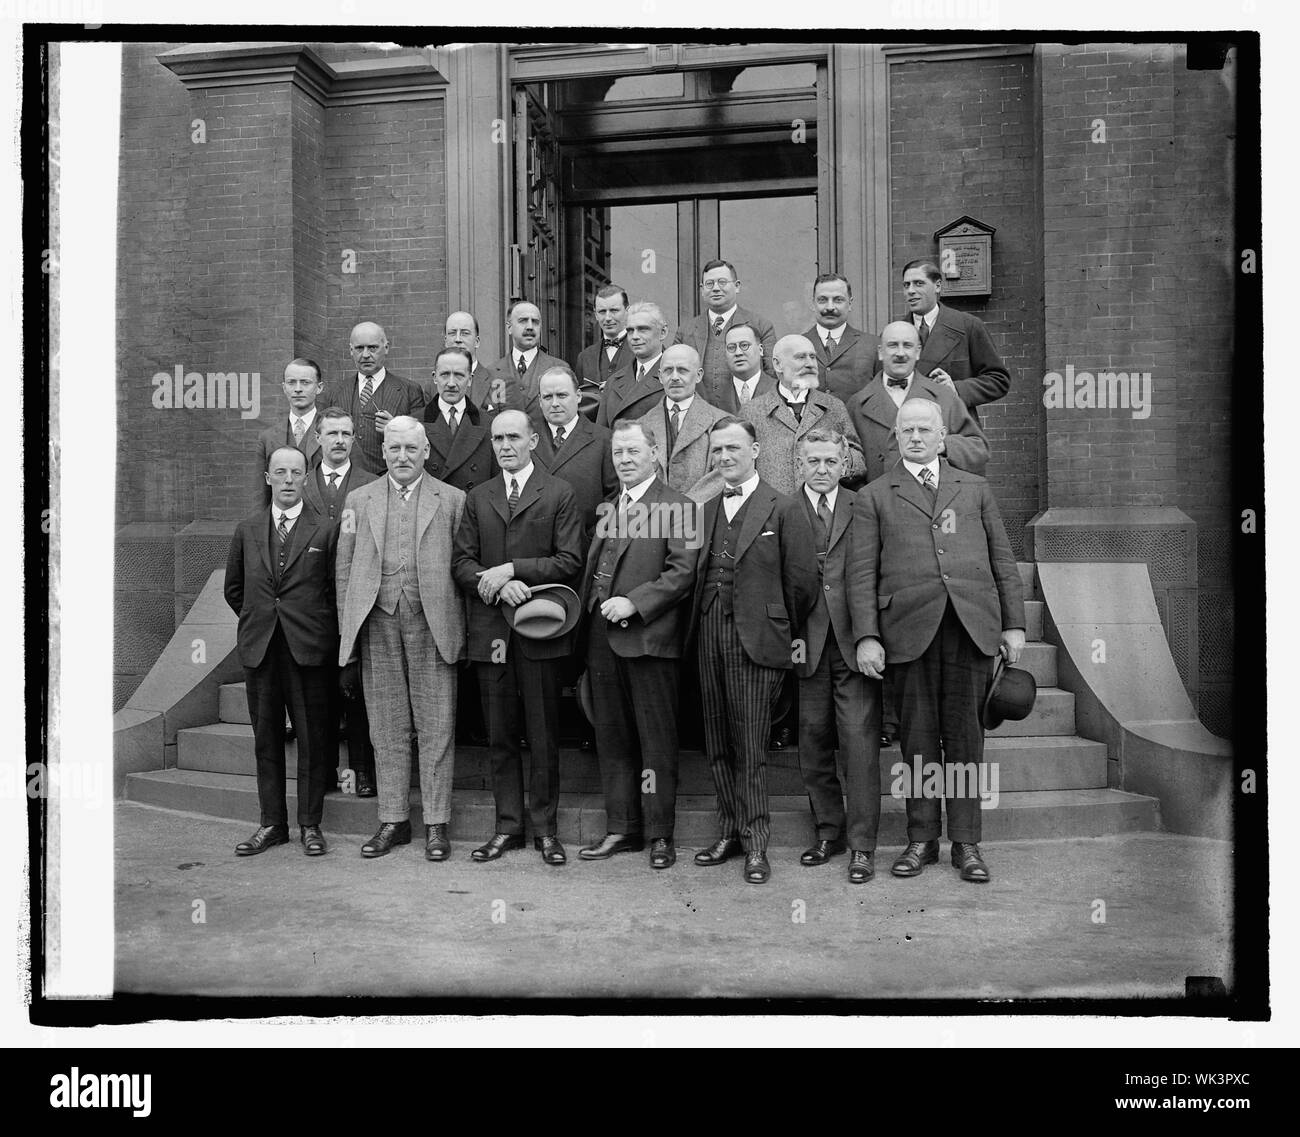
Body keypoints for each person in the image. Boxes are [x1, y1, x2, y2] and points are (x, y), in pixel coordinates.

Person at [849, 398, 1025, 883]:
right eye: (907, 430)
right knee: (919, 742)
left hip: (970, 627)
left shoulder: (975, 488)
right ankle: (922, 838)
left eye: (925, 430)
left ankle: (965, 842)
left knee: (966, 741)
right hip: (907, 632)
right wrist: (867, 636)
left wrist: (1013, 624)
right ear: (896, 436)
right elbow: (861, 574)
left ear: (943, 436)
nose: (916, 437)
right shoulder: (875, 496)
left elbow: (1002, 559)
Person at [452, 410, 585, 866]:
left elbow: (570, 560)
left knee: (543, 735)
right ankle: (507, 827)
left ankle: (546, 830)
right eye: (498, 439)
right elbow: (462, 563)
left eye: (513, 437)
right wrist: (494, 583)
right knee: (501, 737)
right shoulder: (479, 497)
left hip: (540, 630)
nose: (505, 446)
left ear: (533, 441)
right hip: (491, 632)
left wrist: (514, 570)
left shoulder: (559, 492)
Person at [690, 417, 818, 884]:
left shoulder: (783, 507)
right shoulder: (706, 510)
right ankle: (728, 832)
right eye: (718, 450)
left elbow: (801, 583)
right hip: (709, 630)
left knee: (750, 745)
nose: (725, 457)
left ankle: (756, 843)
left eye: (734, 448)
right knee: (717, 740)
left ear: (756, 450)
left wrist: (776, 627)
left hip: (758, 638)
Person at [335, 417, 467, 861]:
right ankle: (393, 819)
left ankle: (436, 823)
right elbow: (343, 568)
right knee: (386, 724)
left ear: (426, 451)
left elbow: (464, 568)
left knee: (436, 725)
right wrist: (348, 631)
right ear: (384, 451)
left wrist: (460, 631)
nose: (403, 456)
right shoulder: (359, 500)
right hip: (377, 620)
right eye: (394, 448)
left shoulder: (452, 500)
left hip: (434, 623)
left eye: (411, 448)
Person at [578, 420, 700, 870]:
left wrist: (635, 602)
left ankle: (660, 834)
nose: (625, 460)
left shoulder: (680, 506)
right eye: (618, 453)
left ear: (654, 454)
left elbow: (682, 572)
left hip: (649, 640)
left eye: (633, 451)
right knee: (612, 737)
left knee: (656, 741)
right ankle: (622, 828)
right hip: (600, 638)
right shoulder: (610, 506)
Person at [224, 446, 339, 857]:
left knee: (312, 739)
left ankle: (310, 825)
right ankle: (272, 823)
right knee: (266, 740)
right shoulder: (248, 529)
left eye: (296, 472)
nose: (288, 479)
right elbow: (234, 590)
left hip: (308, 651)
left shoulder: (326, 529)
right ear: (268, 478)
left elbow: (333, 592)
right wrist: (262, 622)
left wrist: (311, 629)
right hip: (261, 650)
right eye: (280, 472)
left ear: (306, 478)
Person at [791, 429, 881, 883]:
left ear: (844, 464)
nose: (822, 469)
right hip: (806, 645)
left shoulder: (863, 505)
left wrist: (870, 635)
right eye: (814, 461)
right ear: (799, 463)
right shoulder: (785, 509)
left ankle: (863, 846)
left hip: (853, 641)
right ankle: (829, 833)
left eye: (830, 461)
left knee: (859, 745)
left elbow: (876, 572)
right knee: (813, 742)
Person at [301, 406, 379, 797]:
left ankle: (363, 770)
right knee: (320, 692)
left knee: (358, 688)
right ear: (317, 438)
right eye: (332, 433)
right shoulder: (301, 484)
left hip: (357, 599)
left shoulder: (372, 483)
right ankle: (326, 770)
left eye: (346, 434)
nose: (339, 441)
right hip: (313, 604)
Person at [845, 321, 989, 484]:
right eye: (893, 345)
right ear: (880, 352)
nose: (900, 353)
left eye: (907, 345)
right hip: (878, 497)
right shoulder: (857, 404)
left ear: (918, 352)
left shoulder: (944, 397)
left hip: (930, 495)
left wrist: (942, 445)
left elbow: (979, 448)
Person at [741, 334, 865, 495]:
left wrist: (831, 463)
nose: (810, 364)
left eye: (812, 357)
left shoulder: (833, 407)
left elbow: (858, 461)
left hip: (821, 505)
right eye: (801, 357)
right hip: (771, 507)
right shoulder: (751, 412)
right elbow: (740, 465)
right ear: (778, 364)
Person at [897, 259, 1010, 422]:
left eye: (918, 283)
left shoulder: (967, 326)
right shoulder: (894, 334)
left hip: (954, 425)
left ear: (937, 286)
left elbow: (998, 380)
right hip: (910, 427)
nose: (911, 291)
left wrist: (956, 388)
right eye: (906, 285)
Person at [324, 322, 427, 475]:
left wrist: (395, 429)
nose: (365, 355)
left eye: (372, 348)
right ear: (351, 350)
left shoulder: (410, 390)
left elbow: (421, 440)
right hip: (347, 478)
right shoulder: (335, 392)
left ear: (386, 348)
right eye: (359, 348)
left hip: (390, 477)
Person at [673, 259, 776, 409]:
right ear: (702, 289)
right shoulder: (685, 331)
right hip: (700, 414)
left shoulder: (761, 325)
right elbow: (674, 374)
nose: (716, 288)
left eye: (722, 282)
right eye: (709, 284)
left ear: (737, 286)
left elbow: (772, 375)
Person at [533, 364, 617, 548]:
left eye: (562, 395)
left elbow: (614, 497)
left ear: (578, 396)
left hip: (585, 547)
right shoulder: (526, 438)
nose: (555, 403)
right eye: (548, 397)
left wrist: (593, 538)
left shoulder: (604, 439)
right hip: (535, 548)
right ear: (539, 401)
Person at [636, 344, 728, 502]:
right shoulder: (640, 426)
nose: (674, 377)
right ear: (660, 376)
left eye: (682, 370)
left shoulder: (722, 423)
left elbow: (723, 474)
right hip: (653, 514)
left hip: (701, 513)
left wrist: (683, 509)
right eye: (668, 370)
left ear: (698, 375)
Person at [422, 346, 497, 495]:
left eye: (459, 375)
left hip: (473, 507)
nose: (451, 383)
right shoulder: (415, 424)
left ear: (470, 379)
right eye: (444, 374)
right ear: (434, 377)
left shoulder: (489, 425)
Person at [802, 273, 879, 405]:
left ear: (850, 303)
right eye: (822, 300)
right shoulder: (798, 345)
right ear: (813, 304)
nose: (830, 307)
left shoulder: (872, 345)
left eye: (838, 300)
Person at [486, 300, 566, 426]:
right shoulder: (492, 372)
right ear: (509, 327)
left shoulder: (559, 369)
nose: (530, 327)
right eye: (523, 321)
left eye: (535, 322)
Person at [256, 358, 325, 504]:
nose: (298, 389)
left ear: (319, 388)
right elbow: (260, 495)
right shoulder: (268, 438)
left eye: (305, 382)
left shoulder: (334, 432)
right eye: (291, 382)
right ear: (284, 387)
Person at [596, 300, 669, 428]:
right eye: (630, 331)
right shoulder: (613, 382)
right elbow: (601, 434)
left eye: (643, 330)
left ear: (663, 332)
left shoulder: (679, 376)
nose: (635, 336)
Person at [574, 285, 633, 421]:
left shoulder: (643, 351)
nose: (607, 318)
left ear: (627, 311)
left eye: (614, 310)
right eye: (602, 311)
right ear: (595, 314)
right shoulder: (585, 357)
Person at [442, 310, 506, 416]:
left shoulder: (500, 383)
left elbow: (511, 424)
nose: (458, 339)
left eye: (465, 333)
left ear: (477, 342)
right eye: (452, 333)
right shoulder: (433, 387)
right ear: (445, 342)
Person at [722, 322, 776, 411]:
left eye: (744, 345)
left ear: (760, 350)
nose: (738, 353)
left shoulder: (779, 390)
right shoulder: (714, 395)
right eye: (731, 347)